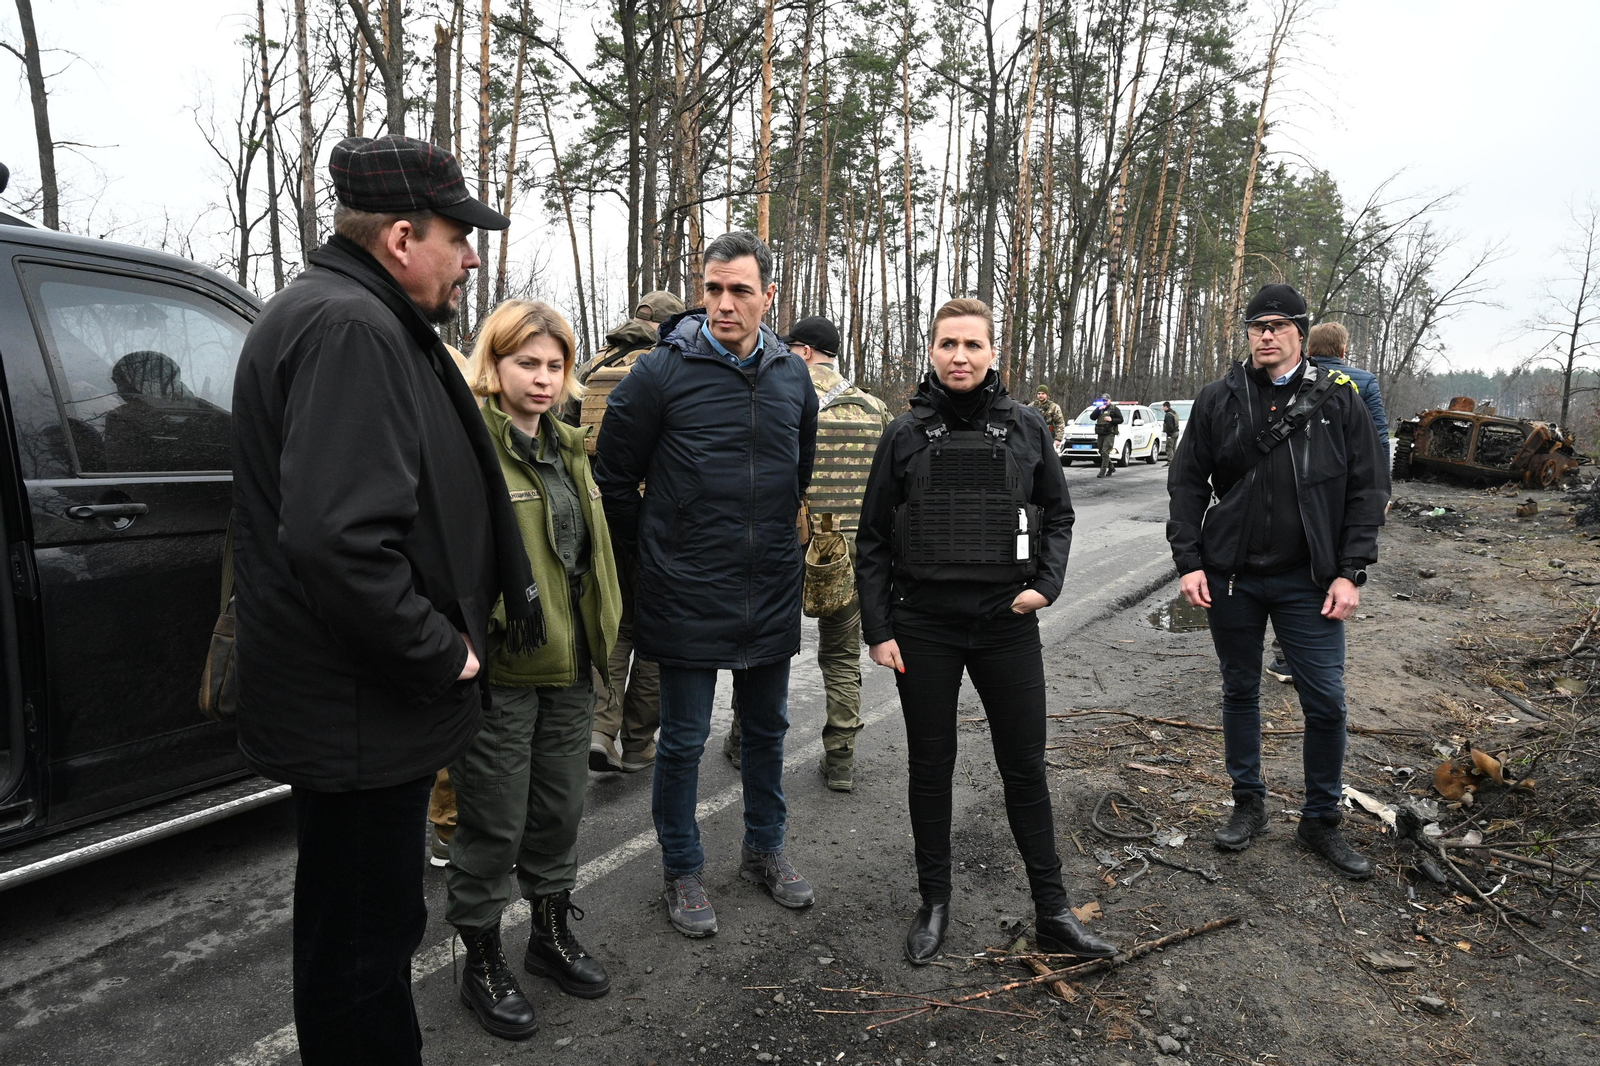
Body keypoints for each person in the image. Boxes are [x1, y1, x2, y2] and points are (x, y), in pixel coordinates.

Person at [232, 134, 529, 1065]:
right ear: (402, 236)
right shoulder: (351, 328)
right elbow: (339, 541)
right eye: (457, 234)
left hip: (356, 708)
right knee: (362, 953)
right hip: (363, 708)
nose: (471, 254)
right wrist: (443, 650)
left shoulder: (350, 313)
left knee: (358, 937)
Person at [855, 297, 1119, 966]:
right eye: (948, 344)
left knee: (1025, 767)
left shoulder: (1027, 428)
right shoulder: (903, 435)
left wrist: (1047, 586)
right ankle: (934, 902)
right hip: (924, 627)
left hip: (1006, 623)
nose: (960, 356)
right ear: (933, 351)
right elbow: (874, 538)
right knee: (930, 768)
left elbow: (1058, 517)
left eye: (973, 344)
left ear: (993, 352)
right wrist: (878, 628)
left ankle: (1054, 911)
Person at [594, 230, 819, 937]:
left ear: (769, 296)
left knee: (766, 731)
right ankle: (683, 867)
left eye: (740, 291)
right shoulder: (661, 373)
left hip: (770, 586)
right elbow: (612, 476)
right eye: (713, 289)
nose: (724, 304)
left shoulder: (792, 376)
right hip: (684, 585)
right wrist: (658, 550)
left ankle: (765, 848)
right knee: (685, 740)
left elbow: (797, 471)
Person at [444, 300, 622, 1040]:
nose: (544, 379)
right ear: (496, 362)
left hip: (572, 663)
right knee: (493, 817)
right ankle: (480, 958)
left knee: (558, 810)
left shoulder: (568, 447)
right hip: (505, 671)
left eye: (554, 365)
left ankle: (548, 935)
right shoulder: (470, 445)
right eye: (527, 363)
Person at [1167, 283, 1388, 880]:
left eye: (1279, 325)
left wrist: (1350, 570)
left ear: (1300, 331)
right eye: (1257, 325)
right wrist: (1189, 561)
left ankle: (1320, 820)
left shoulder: (1338, 399)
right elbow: (1186, 484)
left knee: (1326, 701)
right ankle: (1248, 803)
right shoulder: (1220, 398)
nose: (1267, 334)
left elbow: (1369, 487)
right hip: (1232, 576)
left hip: (1308, 579)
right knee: (1240, 690)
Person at [720, 314, 891, 792]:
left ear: (805, 352)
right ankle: (840, 758)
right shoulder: (875, 409)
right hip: (850, 549)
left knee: (760, 649)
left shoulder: (778, 398)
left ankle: (740, 739)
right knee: (840, 656)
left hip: (783, 544)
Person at [585, 290, 684, 773]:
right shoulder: (667, 364)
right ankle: (640, 741)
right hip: (650, 515)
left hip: (597, 510)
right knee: (655, 629)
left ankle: (601, 728)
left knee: (612, 621)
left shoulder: (593, 364)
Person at [1265, 320, 1390, 685]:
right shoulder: (1361, 381)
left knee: (1295, 563)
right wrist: (1381, 492)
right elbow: (1378, 439)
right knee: (1332, 565)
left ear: (1306, 345)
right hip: (1345, 492)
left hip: (1300, 489)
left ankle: (1285, 656)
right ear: (1342, 350)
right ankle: (1308, 654)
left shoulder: (1293, 376)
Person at [1092, 394, 1123, 477]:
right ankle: (1111, 467)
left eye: (1106, 400)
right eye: (1103, 400)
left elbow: (1121, 420)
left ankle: (1102, 471)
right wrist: (1098, 409)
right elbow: (1092, 417)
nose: (1105, 402)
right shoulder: (1100, 408)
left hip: (1110, 433)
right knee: (1101, 452)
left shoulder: (1114, 409)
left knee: (1105, 451)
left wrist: (1111, 419)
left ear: (1110, 400)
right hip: (1101, 433)